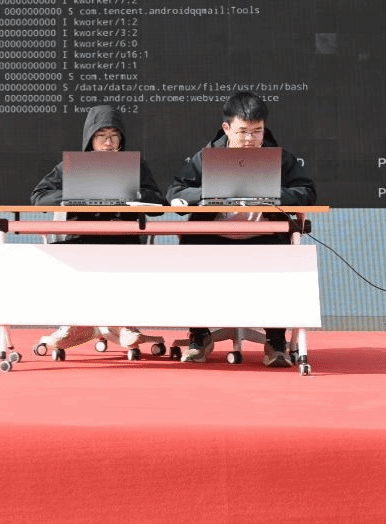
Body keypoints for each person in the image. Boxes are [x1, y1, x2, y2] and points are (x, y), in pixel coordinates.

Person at [166, 90, 316, 366]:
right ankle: (199, 335)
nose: (250, 139)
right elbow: (176, 193)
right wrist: (206, 195)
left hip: (264, 238)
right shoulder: (206, 157)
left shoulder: (280, 159)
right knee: (188, 257)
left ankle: (275, 340)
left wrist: (273, 194)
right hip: (212, 238)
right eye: (243, 132)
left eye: (257, 131)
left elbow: (307, 192)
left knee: (284, 263)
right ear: (226, 128)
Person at [29, 104, 166, 356]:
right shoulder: (71, 167)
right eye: (101, 136)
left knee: (126, 260)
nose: (108, 142)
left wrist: (133, 194)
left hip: (122, 242)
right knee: (60, 259)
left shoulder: (135, 166)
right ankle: (74, 323)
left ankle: (123, 323)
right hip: (81, 241)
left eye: (114, 136)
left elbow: (159, 204)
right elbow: (39, 196)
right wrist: (75, 194)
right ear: (90, 139)